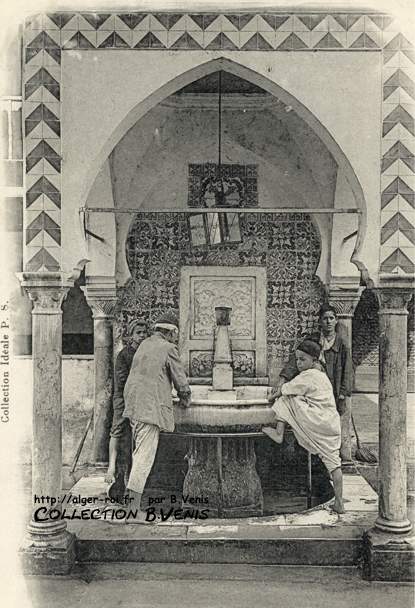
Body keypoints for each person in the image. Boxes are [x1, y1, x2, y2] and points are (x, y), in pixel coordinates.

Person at [122, 312, 191, 524]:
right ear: (170, 332)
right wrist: (185, 397)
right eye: (174, 335)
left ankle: (129, 507)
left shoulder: (145, 345)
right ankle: (132, 512)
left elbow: (152, 376)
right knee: (144, 457)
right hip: (149, 408)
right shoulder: (168, 348)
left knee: (138, 453)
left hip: (135, 404)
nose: (174, 339)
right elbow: (180, 379)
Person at [263, 339, 344, 514]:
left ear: (314, 360)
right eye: (297, 359)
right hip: (331, 423)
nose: (299, 363)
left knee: (287, 398)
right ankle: (339, 504)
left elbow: (286, 388)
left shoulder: (308, 375)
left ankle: (279, 433)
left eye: (303, 360)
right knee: (334, 463)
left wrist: (270, 398)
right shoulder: (321, 375)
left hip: (318, 421)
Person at [277, 304, 353, 416]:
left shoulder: (341, 344)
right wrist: (282, 380)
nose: (328, 322)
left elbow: (347, 370)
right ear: (320, 322)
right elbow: (295, 361)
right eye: (325, 318)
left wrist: (343, 393)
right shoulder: (313, 340)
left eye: (331, 318)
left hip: (333, 389)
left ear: (336, 320)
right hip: (313, 389)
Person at [105, 319, 148, 495]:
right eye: (138, 333)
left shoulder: (146, 353)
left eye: (145, 332)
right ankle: (111, 467)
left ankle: (131, 477)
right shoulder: (124, 355)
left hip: (139, 399)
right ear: (131, 335)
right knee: (117, 430)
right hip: (123, 398)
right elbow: (122, 381)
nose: (142, 336)